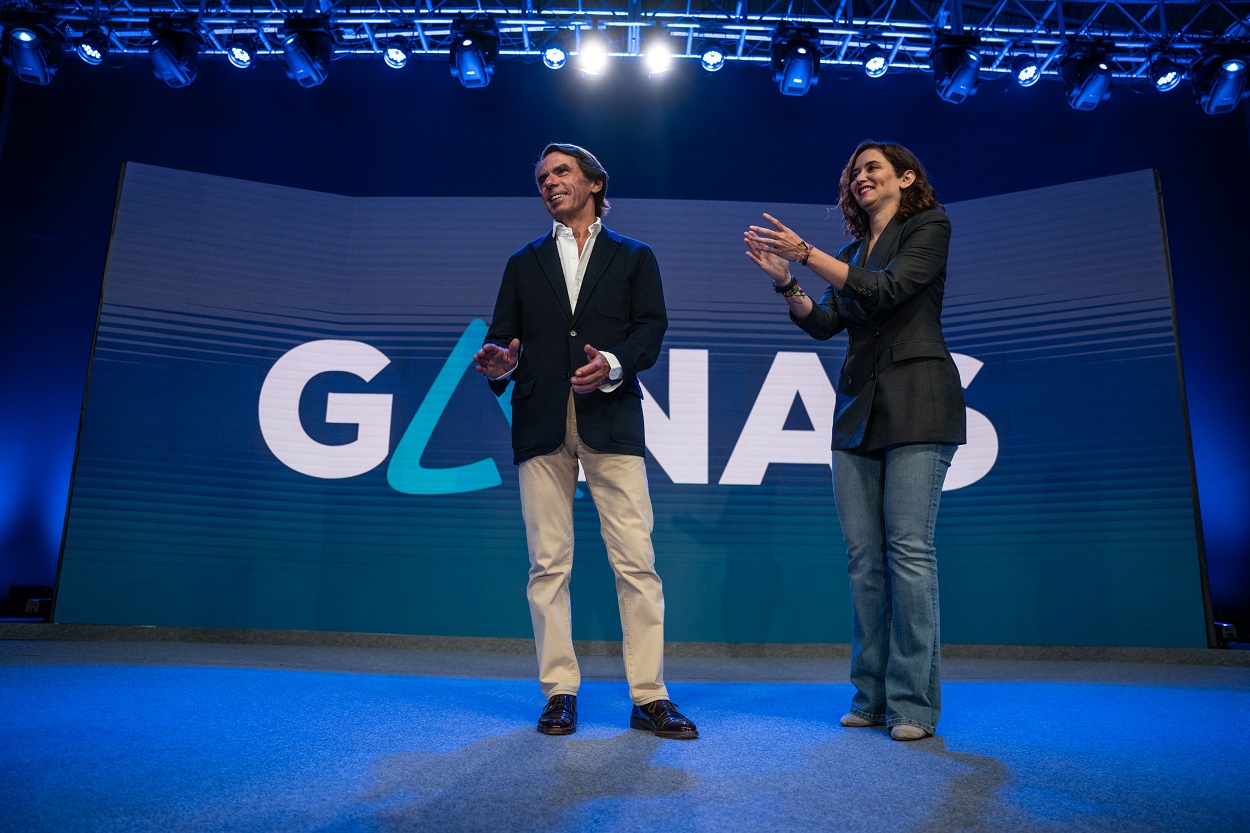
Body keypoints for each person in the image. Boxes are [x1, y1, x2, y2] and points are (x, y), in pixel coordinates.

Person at [474, 143, 697, 740]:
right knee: (548, 563)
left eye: (561, 172)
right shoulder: (523, 263)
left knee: (637, 563)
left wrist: (617, 364)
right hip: (540, 421)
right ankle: (559, 692)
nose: (549, 183)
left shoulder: (634, 256)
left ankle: (649, 695)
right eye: (541, 177)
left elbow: (651, 329)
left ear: (594, 182)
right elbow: (504, 340)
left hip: (612, 420)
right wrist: (499, 362)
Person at [743, 141, 966, 741]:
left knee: (909, 555)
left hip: (920, 404)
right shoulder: (847, 252)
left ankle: (913, 705)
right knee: (866, 563)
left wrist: (807, 253)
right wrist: (788, 282)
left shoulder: (930, 227)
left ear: (906, 177)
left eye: (874, 167)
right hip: (857, 415)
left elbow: (890, 290)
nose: (861, 176)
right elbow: (823, 324)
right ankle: (869, 696)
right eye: (855, 171)